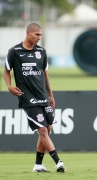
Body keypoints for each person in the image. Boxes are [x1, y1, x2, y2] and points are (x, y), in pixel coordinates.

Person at [4, 23, 66, 173]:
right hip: (27, 97)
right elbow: (6, 70)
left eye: (40, 35)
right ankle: (58, 162)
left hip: (43, 96)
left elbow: (45, 74)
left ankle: (38, 165)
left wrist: (50, 95)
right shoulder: (14, 51)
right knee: (43, 130)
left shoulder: (41, 52)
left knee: (47, 130)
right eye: (37, 35)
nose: (39, 38)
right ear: (28, 33)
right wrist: (9, 86)